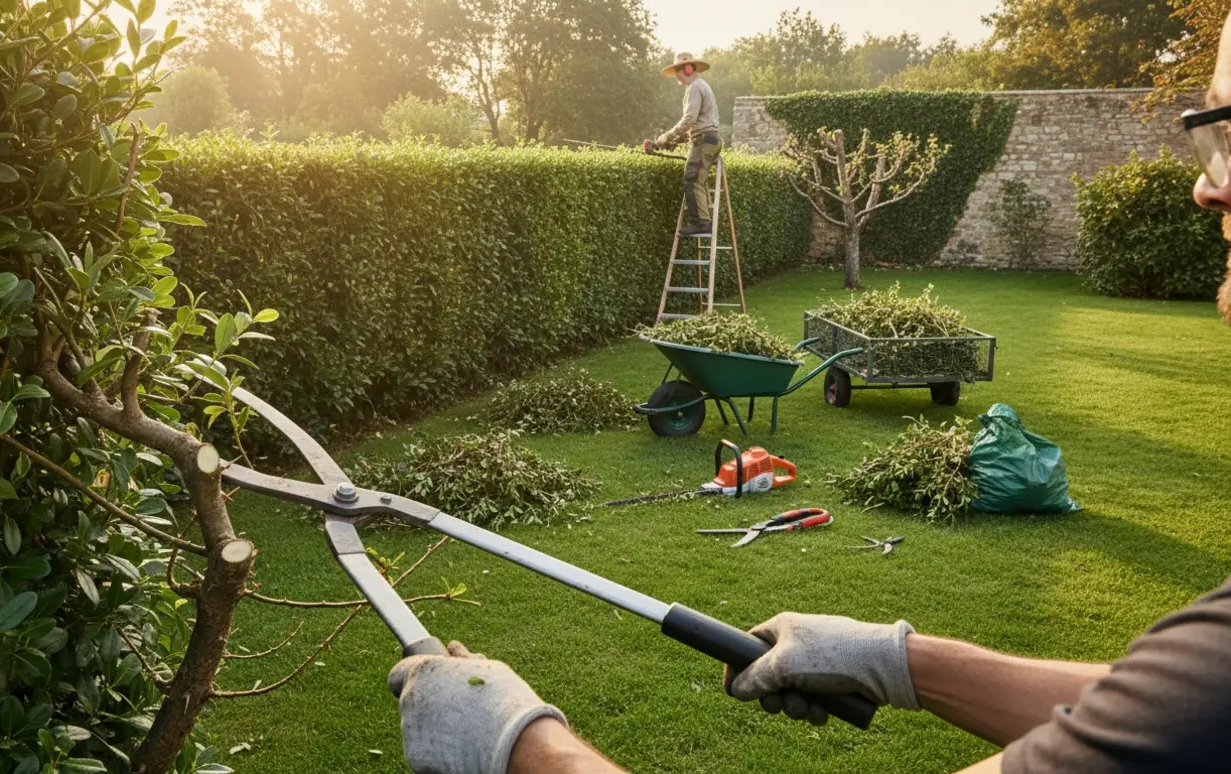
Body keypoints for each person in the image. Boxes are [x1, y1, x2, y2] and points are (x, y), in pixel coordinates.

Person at [388, 12, 1231, 772]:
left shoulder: (703, 100)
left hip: (701, 159)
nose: (1207, 181)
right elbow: (1163, 704)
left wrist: (522, 743)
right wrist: (902, 660)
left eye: (1222, 128)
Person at [646, 52, 722, 238]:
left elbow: (689, 119)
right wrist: (678, 139)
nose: (676, 77)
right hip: (711, 139)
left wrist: (666, 136)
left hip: (703, 141)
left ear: (687, 69)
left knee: (691, 179)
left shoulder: (694, 87)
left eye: (677, 72)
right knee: (699, 180)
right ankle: (705, 220)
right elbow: (698, 122)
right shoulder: (703, 86)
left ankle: (701, 223)